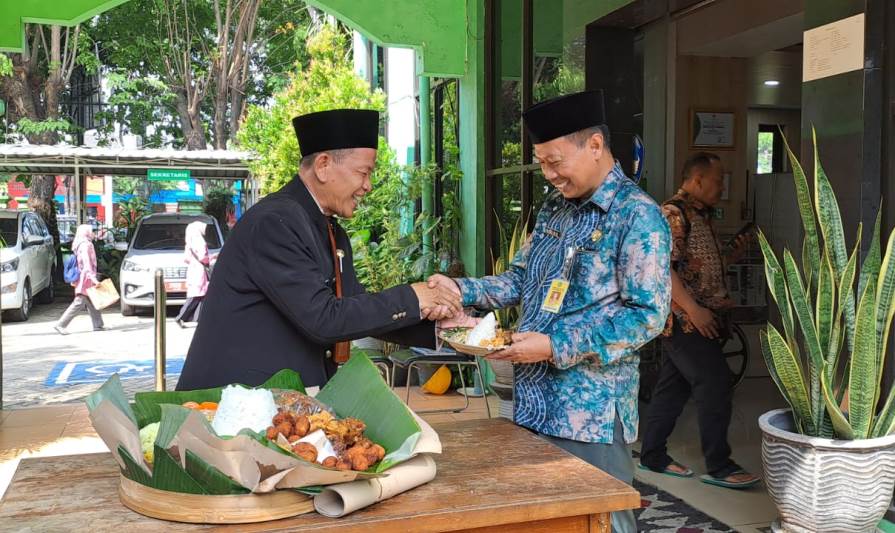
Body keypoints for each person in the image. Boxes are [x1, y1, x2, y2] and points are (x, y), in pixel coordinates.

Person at [428, 90, 671, 533]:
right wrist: (460, 291)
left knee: (600, 520)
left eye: (555, 161)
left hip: (589, 414)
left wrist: (555, 346)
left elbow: (647, 316)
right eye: (541, 162)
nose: (549, 174)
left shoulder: (638, 217)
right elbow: (522, 279)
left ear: (595, 146)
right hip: (533, 400)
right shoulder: (555, 210)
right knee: (540, 520)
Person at [177, 108, 460, 391]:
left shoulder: (328, 228)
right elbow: (323, 318)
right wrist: (413, 297)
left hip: (281, 403)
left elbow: (351, 304)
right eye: (363, 173)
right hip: (233, 406)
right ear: (323, 165)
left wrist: (435, 324)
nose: (368, 186)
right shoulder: (274, 223)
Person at [638, 152, 760, 489]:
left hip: (702, 320)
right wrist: (693, 309)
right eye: (718, 179)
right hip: (685, 322)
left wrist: (739, 246)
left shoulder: (702, 216)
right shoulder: (673, 214)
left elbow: (702, 264)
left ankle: (652, 456)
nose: (722, 186)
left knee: (671, 389)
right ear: (697, 180)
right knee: (716, 382)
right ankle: (720, 465)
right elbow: (663, 268)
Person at [55, 224, 105, 335]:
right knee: (79, 302)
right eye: (91, 231)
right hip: (86, 279)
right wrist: (94, 279)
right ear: (86, 233)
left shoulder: (80, 244)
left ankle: (98, 324)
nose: (93, 233)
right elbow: (87, 264)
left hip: (85, 278)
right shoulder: (86, 245)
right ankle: (61, 324)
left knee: (91, 300)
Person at [175, 220, 210, 327]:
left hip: (193, 269)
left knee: (201, 295)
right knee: (196, 295)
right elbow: (203, 257)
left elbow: (186, 258)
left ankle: (198, 319)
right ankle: (181, 317)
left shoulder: (189, 242)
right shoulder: (199, 241)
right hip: (199, 270)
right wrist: (211, 259)